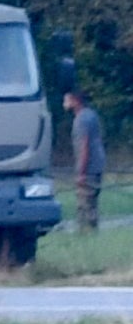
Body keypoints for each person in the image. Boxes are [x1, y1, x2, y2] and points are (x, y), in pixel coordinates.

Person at [69, 90, 107, 234]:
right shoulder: (91, 114)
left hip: (89, 167)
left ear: (75, 100)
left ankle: (85, 232)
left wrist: (81, 172)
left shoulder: (81, 119)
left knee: (84, 203)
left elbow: (84, 146)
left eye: (68, 98)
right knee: (92, 204)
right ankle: (92, 231)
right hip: (98, 164)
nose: (65, 101)